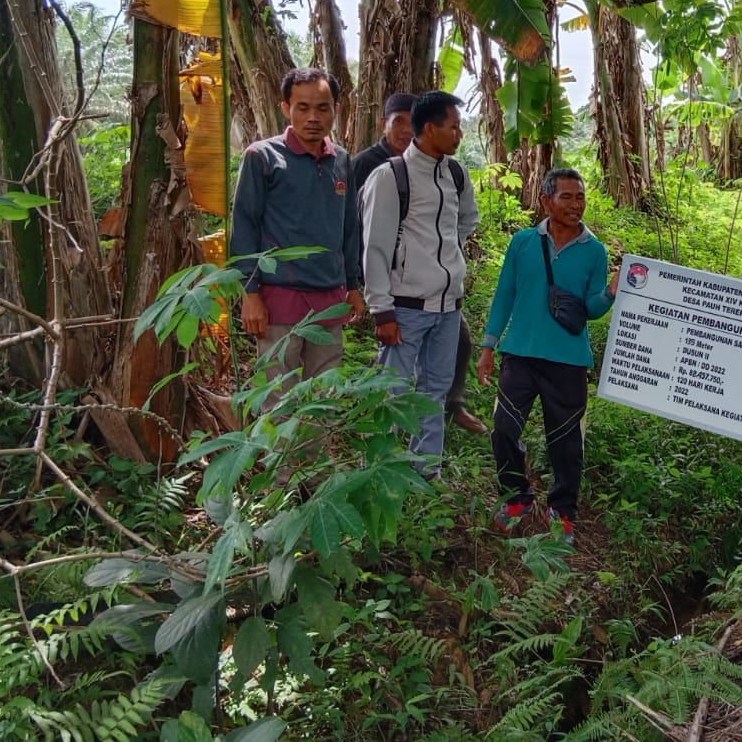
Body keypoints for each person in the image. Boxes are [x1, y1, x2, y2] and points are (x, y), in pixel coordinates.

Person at [477, 169, 617, 545]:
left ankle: (563, 512)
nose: (576, 205)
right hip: (519, 355)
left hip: (568, 361)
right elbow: (505, 293)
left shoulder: (595, 251)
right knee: (504, 429)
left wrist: (610, 293)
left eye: (580, 197)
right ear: (546, 201)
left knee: (567, 442)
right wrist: (489, 346)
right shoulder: (523, 243)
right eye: (567, 197)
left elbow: (590, 309)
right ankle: (517, 497)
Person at [352, 92, 489, 435]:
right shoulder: (390, 176)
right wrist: (381, 309)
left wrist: (443, 254)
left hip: (448, 306)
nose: (460, 134)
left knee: (435, 392)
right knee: (391, 392)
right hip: (405, 306)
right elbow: (376, 247)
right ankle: (379, 470)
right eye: (454, 127)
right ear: (430, 129)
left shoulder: (455, 173)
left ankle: (426, 471)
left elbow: (467, 220)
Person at [231, 67, 365, 394]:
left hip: (330, 300)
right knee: (277, 399)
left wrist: (353, 285)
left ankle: (316, 449)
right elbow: (244, 225)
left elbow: (348, 227)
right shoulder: (262, 157)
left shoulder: (342, 161)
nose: (313, 117)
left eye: (323, 107)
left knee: (322, 398)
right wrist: (250, 295)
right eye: (302, 107)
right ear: (285, 109)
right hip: (278, 300)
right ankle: (276, 450)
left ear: (336, 109)